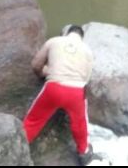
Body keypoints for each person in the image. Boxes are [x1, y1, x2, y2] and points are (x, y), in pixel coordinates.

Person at [23, 24, 96, 165]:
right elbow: (85, 79)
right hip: (76, 92)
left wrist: (44, 73)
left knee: (34, 120)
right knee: (80, 123)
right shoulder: (88, 50)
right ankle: (84, 152)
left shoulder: (54, 41)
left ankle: (19, 143)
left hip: (54, 89)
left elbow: (36, 64)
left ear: (66, 33)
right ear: (81, 37)